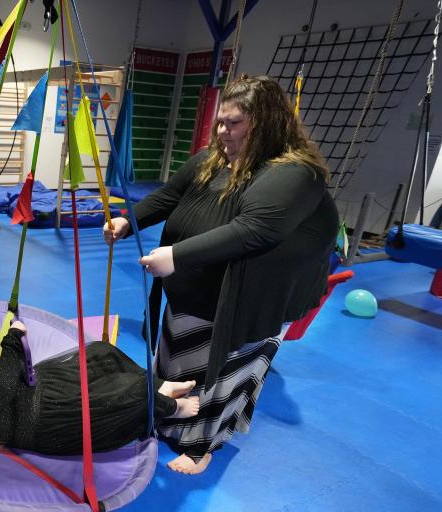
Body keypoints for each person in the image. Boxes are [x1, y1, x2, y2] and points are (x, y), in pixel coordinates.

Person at [103, 74, 339, 475]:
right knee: (177, 361)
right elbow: (169, 195)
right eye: (220, 121)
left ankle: (201, 447)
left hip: (250, 300)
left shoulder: (295, 173)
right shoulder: (214, 158)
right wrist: (129, 221)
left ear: (264, 124)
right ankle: (168, 416)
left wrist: (177, 255)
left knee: (223, 371)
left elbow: (256, 230)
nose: (222, 130)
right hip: (195, 291)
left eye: (234, 123)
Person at [0, 321, 200, 455]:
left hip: (46, 387)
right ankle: (171, 407)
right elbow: (7, 379)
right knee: (118, 398)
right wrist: (13, 338)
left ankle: (159, 385)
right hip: (50, 416)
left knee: (100, 352)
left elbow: (13, 371)